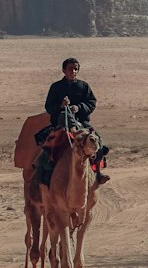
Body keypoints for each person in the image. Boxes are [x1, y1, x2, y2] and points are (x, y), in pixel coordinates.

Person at [38, 57, 110, 186]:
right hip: (60, 123)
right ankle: (44, 178)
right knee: (48, 147)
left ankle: (98, 174)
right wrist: (61, 105)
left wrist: (79, 108)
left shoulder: (84, 86)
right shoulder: (56, 87)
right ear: (64, 70)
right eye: (71, 69)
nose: (74, 71)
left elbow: (91, 103)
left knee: (97, 140)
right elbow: (49, 107)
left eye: (76, 69)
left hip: (82, 122)